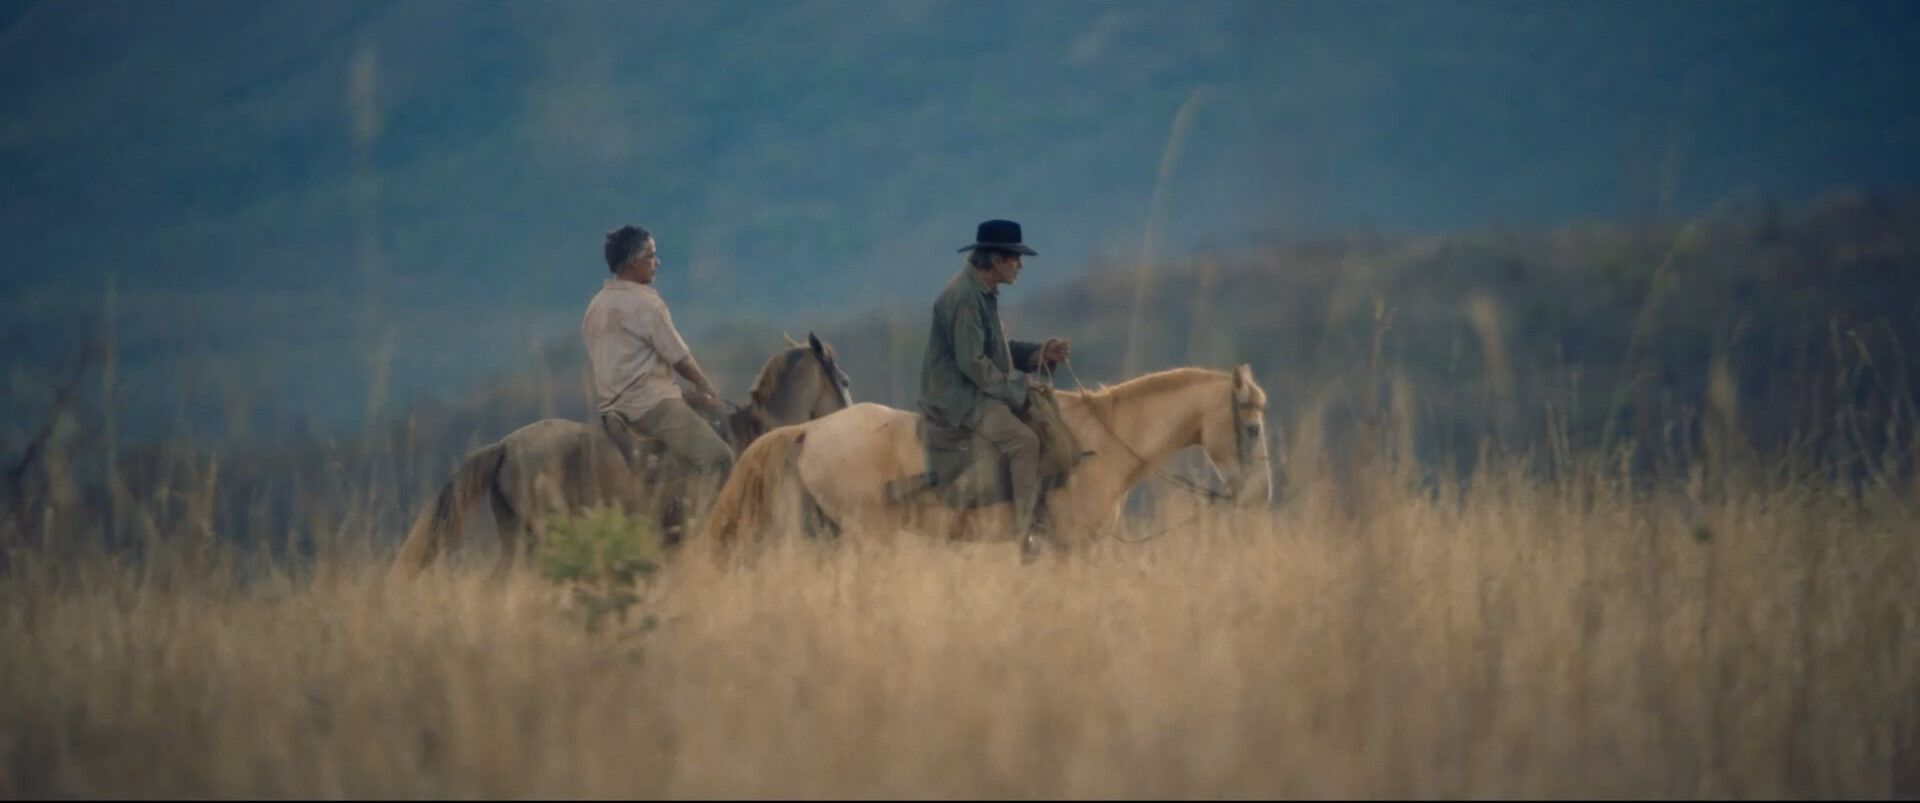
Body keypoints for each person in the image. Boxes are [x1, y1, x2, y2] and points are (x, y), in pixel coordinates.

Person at [918, 219, 1072, 562]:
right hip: (958, 396)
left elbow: (996, 350)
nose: (1020, 265)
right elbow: (973, 363)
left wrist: (1038, 355)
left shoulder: (981, 293)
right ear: (996, 260)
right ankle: (1026, 533)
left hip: (977, 387)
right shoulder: (964, 298)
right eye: (1015, 258)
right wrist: (1016, 390)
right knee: (1024, 441)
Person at [583, 225, 734, 531]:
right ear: (633, 262)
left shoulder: (596, 306)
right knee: (719, 458)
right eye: (652, 256)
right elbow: (680, 358)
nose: (657, 262)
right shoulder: (646, 303)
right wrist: (705, 386)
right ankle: (704, 534)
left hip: (612, 409)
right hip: (650, 406)